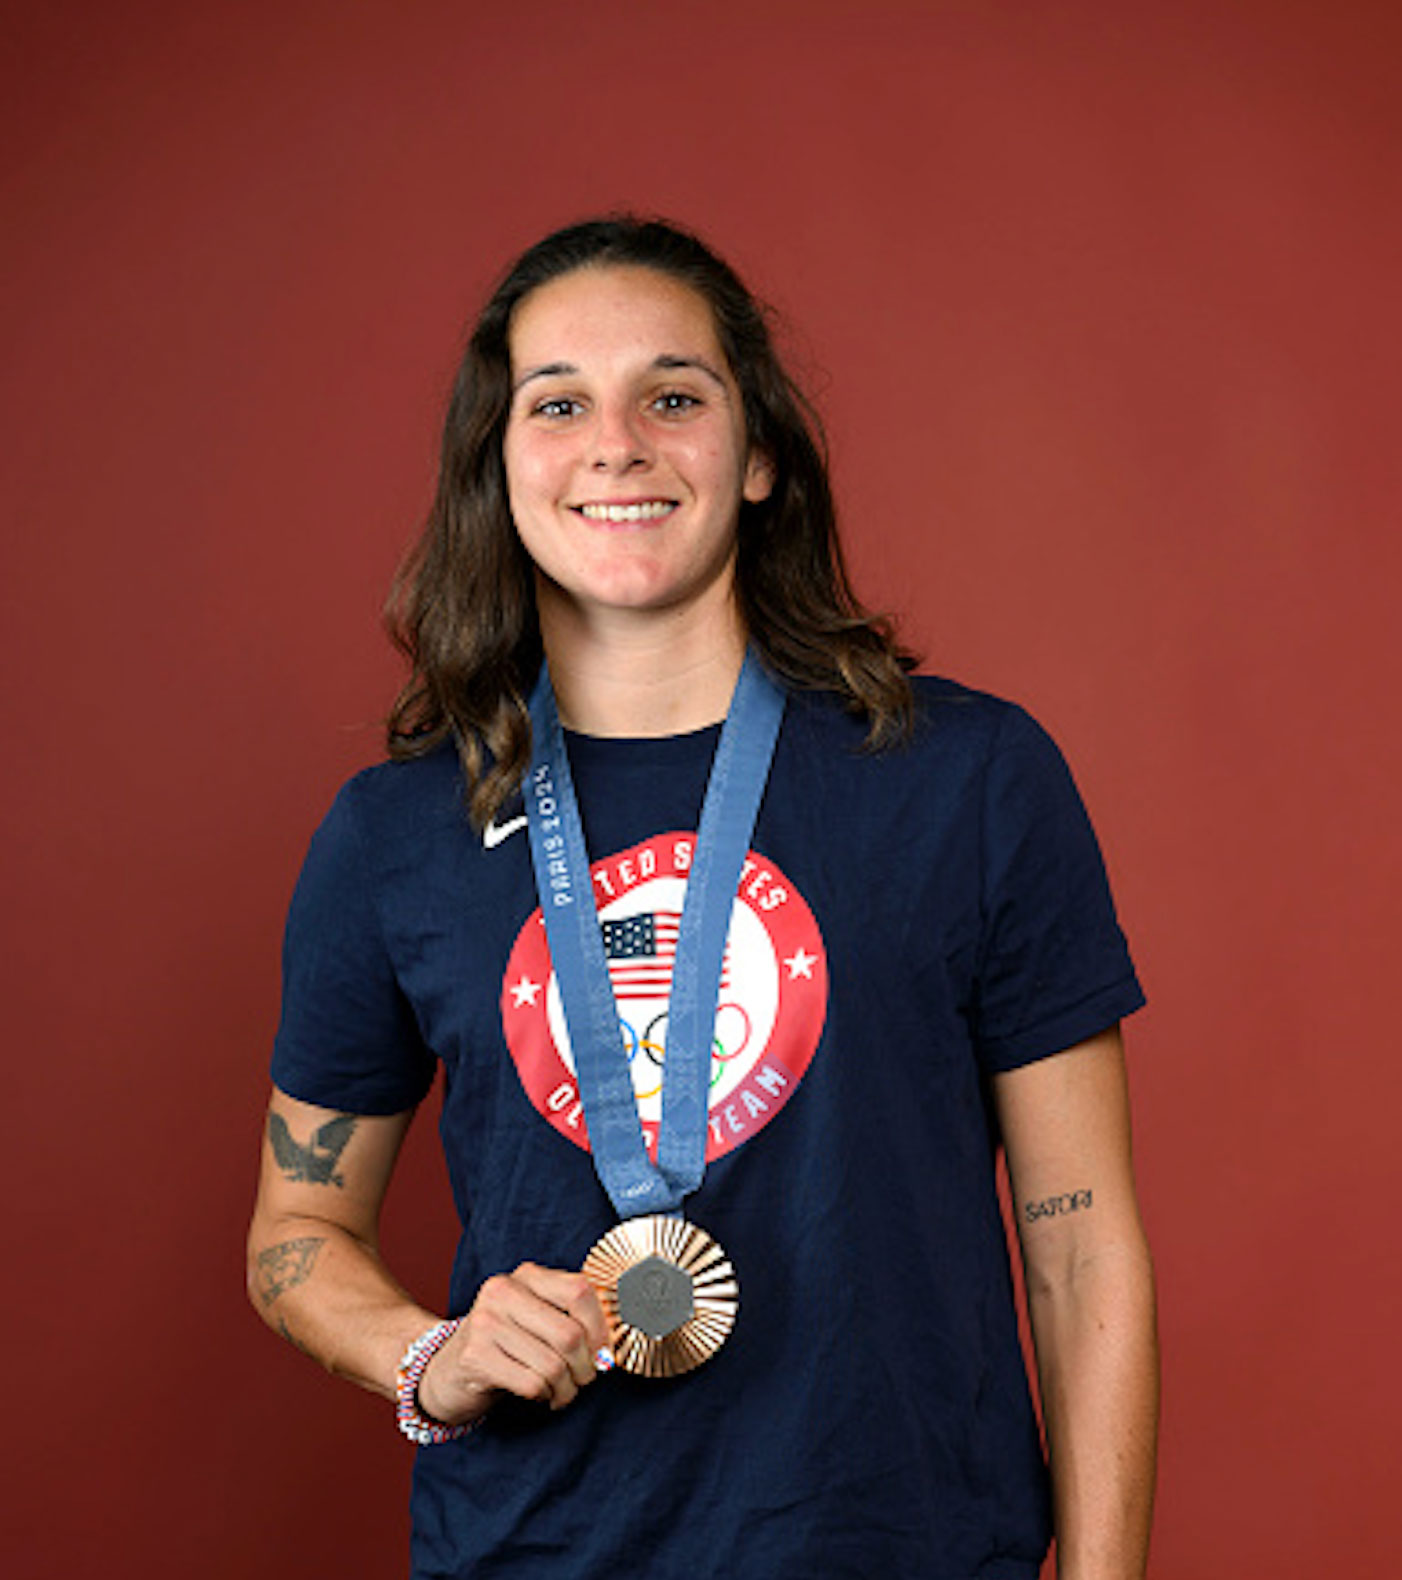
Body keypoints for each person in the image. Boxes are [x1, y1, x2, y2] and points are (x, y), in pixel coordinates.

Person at [247, 216, 1158, 1579]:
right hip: (535, 1549)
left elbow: (1082, 1256)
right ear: (497, 471)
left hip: (907, 1547)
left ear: (761, 456)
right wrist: (426, 1353)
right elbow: (295, 1231)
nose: (616, 442)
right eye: (557, 404)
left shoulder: (965, 779)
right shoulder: (398, 833)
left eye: (672, 396)